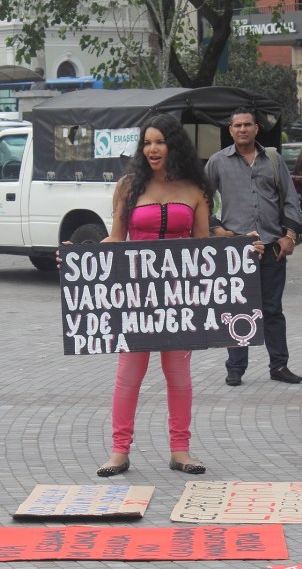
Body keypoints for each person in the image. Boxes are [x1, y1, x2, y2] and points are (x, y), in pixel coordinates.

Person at [94, 113, 217, 477]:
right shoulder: (128, 187)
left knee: (178, 374)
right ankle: (119, 451)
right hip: (136, 296)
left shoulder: (195, 190)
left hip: (179, 298)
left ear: (173, 145)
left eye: (159, 142)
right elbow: (115, 241)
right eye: (147, 143)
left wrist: (242, 250)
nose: (152, 149)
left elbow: (204, 245)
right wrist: (76, 256)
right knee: (128, 373)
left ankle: (180, 450)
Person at [206, 107, 302, 386]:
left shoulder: (272, 159)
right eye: (237, 125)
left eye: (247, 125)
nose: (242, 130)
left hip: (273, 246)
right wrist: (217, 229)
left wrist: (290, 236)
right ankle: (235, 367)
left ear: (256, 128)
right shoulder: (217, 162)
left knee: (273, 309)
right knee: (238, 308)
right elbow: (199, 199)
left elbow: (291, 200)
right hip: (236, 250)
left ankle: (279, 366)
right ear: (230, 130)